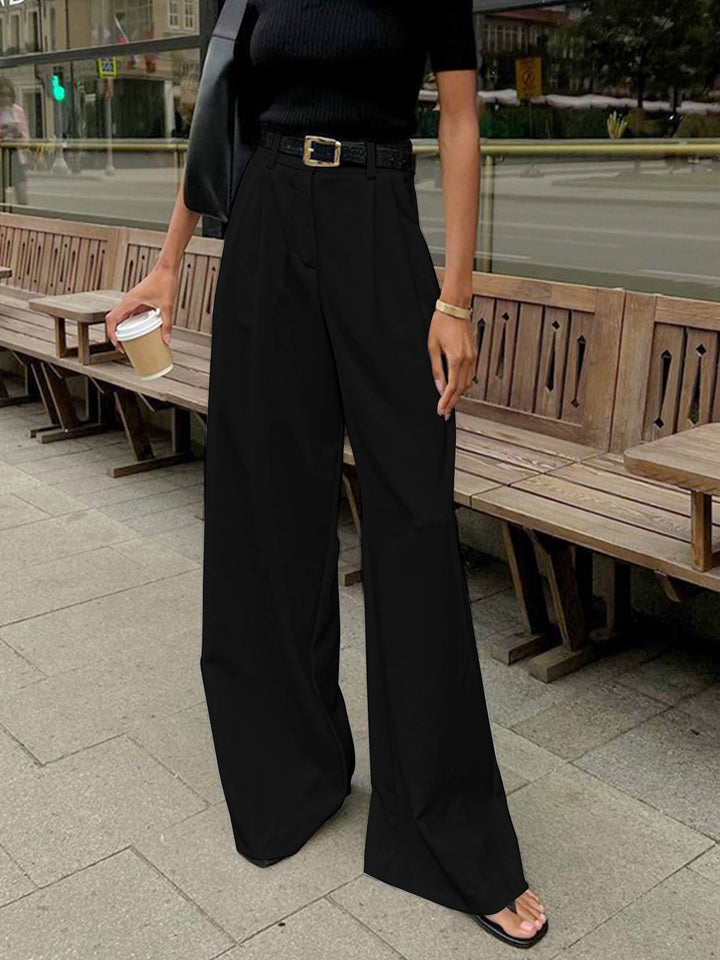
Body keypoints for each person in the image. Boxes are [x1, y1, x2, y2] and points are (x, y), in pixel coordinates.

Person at [105, 0, 548, 948]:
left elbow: (460, 118)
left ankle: (440, 826)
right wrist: (168, 262)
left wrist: (457, 300)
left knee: (416, 519)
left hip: (379, 225)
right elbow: (221, 108)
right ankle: (290, 773)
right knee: (266, 507)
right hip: (264, 225)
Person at [0, 77, 30, 207]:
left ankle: (25, 221)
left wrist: (17, 133)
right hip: (1, 155)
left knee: (22, 194)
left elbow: (26, 138)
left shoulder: (18, 111)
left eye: (8, 94)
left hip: (15, 155)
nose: (6, 98)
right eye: (2, 95)